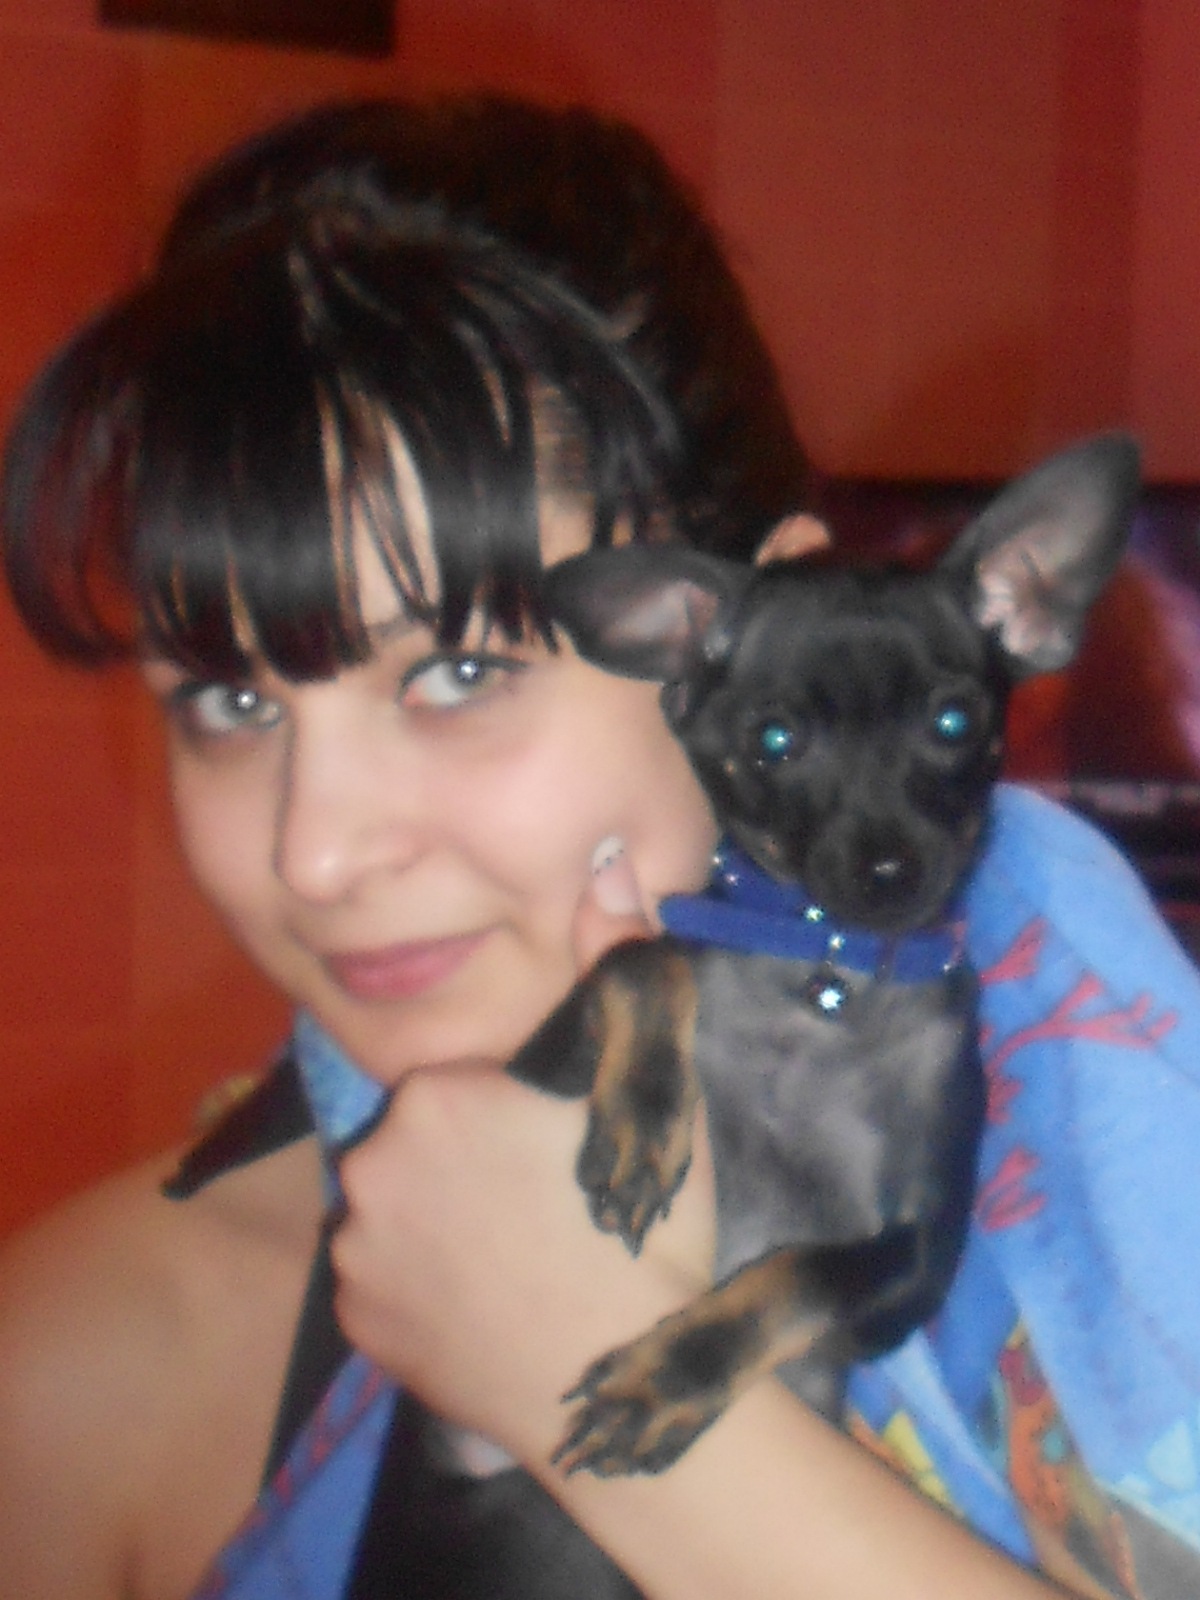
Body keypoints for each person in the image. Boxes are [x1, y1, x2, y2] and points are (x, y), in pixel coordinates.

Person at [0, 95, 1197, 1600]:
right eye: (231, 702)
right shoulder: (78, 1385)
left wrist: (578, 1368)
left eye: (462, 672)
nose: (316, 854)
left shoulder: (1110, 1154)